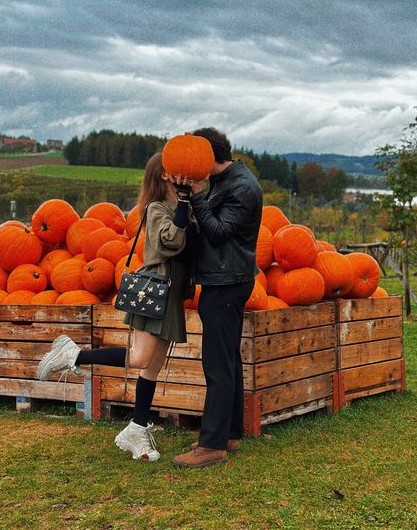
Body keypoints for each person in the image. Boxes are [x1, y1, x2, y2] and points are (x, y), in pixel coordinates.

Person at [37, 152, 197, 462]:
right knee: (139, 358)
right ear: (165, 176)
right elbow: (171, 243)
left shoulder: (180, 206)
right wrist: (187, 206)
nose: (183, 177)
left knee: (152, 367)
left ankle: (137, 428)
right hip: (154, 290)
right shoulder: (156, 209)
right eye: (176, 172)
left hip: (172, 293)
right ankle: (72, 355)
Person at [172, 127, 263, 468]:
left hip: (227, 282)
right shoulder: (228, 181)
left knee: (217, 364)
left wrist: (196, 195)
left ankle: (212, 446)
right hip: (224, 278)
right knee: (228, 361)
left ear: (209, 156)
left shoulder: (241, 186)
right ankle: (230, 433)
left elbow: (219, 232)